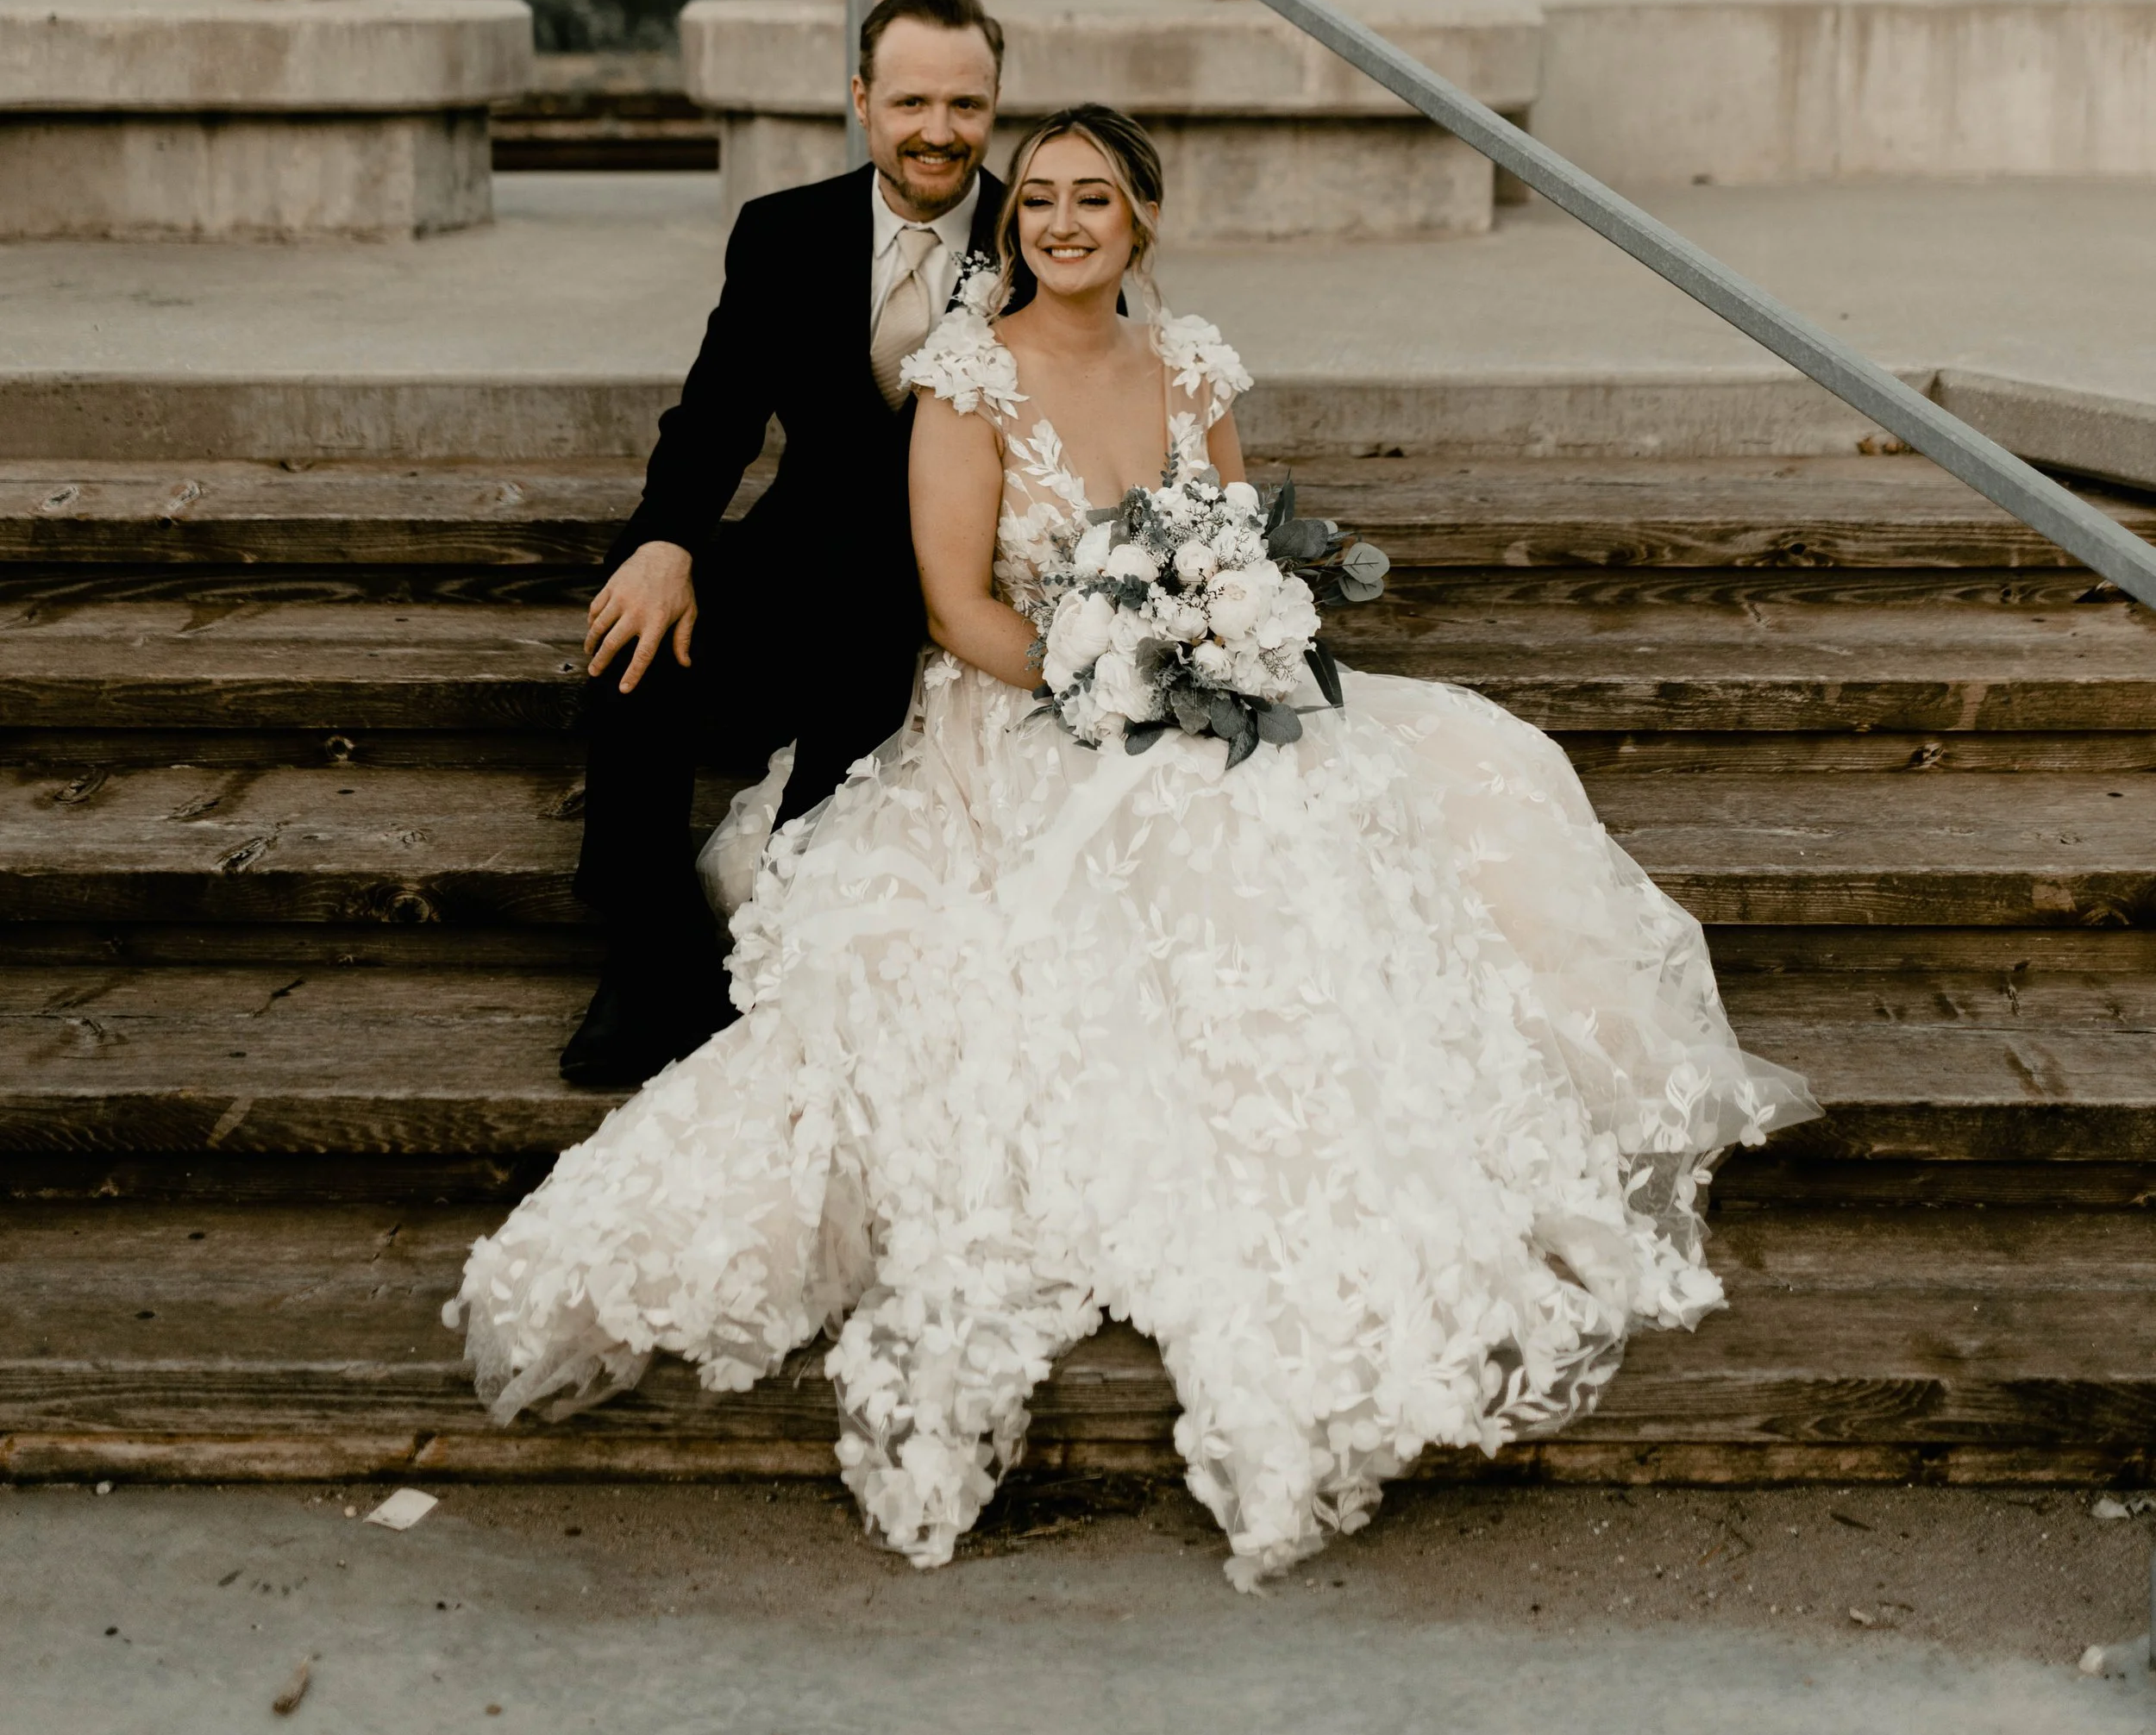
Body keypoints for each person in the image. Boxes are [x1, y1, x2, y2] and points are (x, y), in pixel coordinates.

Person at [452, 103, 1815, 1585]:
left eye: (1092, 198)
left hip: (1185, 689)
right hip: (1021, 709)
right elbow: (959, 608)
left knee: (1458, 778)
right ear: (1013, 221)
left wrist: (1219, 644)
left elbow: (1228, 538)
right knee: (1170, 840)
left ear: (1140, 221)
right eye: (1036, 197)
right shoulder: (966, 377)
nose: (1060, 220)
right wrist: (1108, 680)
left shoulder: (1192, 362)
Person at [560, 0, 1007, 1089]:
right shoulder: (784, 231)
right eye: (912, 101)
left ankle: (789, 946)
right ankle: (648, 955)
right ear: (862, 100)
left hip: (960, 578)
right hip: (803, 556)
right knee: (633, 644)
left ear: (996, 107)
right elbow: (714, 417)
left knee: (863, 640)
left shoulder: (1038, 228)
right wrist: (663, 544)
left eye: (967, 104)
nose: (938, 130)